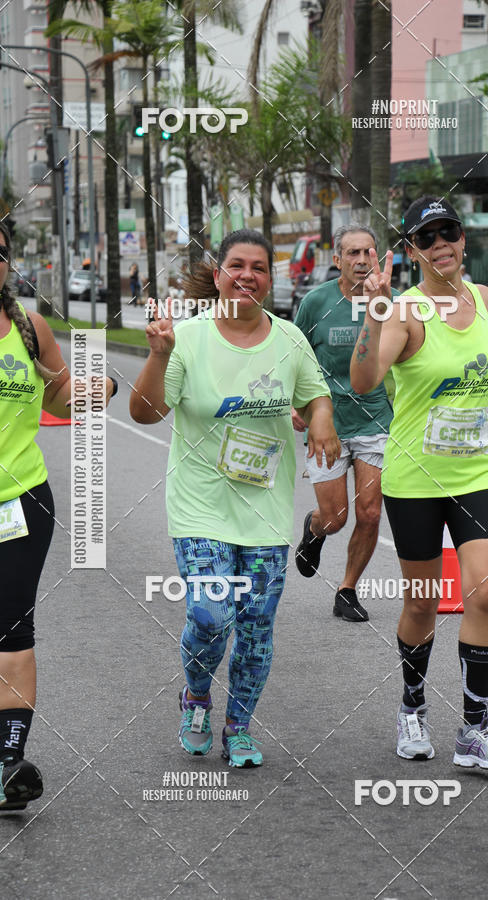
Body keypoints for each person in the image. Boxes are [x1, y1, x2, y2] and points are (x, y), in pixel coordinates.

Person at [350, 196, 488, 769]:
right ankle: (412, 707)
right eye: (428, 236)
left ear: (464, 241)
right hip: (415, 480)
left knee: (484, 592)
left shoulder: (485, 300)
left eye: (451, 232)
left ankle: (473, 728)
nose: (442, 243)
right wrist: (374, 313)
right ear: (413, 250)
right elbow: (365, 380)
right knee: (421, 603)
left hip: (477, 473)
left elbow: (482, 366)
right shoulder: (406, 312)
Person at [130, 229, 339, 768]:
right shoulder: (189, 337)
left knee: (256, 627)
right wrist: (157, 356)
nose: (248, 275)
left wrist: (320, 422)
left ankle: (239, 727)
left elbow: (317, 395)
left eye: (260, 268)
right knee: (210, 615)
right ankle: (197, 695)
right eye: (237, 265)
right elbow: (145, 413)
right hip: (200, 507)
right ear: (219, 273)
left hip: (265, 512)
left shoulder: (290, 339)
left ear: (271, 280)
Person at [0, 222, 116, 809]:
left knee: (12, 634)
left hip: (20, 502)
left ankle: (7, 767)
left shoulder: (28, 325)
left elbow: (58, 396)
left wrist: (104, 385)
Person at [293, 224, 396, 623]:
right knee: (336, 518)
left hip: (375, 420)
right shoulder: (316, 303)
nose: (361, 260)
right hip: (327, 424)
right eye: (352, 253)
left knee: (370, 513)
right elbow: (290, 355)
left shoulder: (390, 300)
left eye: (368, 253)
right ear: (336, 260)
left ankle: (347, 589)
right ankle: (314, 530)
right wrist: (293, 405)